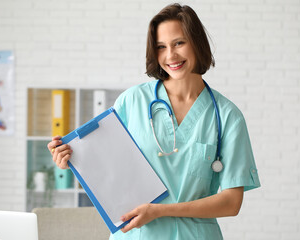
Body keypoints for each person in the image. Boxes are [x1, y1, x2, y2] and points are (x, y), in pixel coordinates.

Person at [47, 3, 260, 240]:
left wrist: (160, 211)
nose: (171, 56)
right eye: (161, 47)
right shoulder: (132, 101)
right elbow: (108, 168)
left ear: (197, 43)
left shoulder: (227, 116)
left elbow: (231, 203)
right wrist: (73, 159)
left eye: (179, 43)